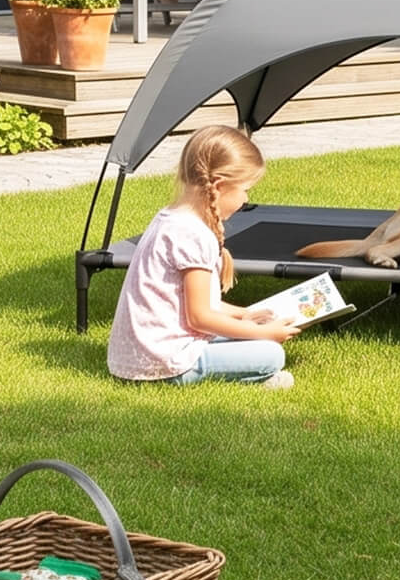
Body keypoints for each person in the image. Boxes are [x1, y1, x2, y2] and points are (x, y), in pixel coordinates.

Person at [108, 125, 300, 388]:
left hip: (140, 355)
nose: (246, 199)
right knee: (271, 353)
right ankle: (256, 376)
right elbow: (199, 317)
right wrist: (262, 332)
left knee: (253, 339)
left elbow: (195, 304)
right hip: (164, 362)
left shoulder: (170, 217)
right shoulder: (193, 234)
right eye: (245, 190)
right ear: (219, 186)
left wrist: (243, 315)